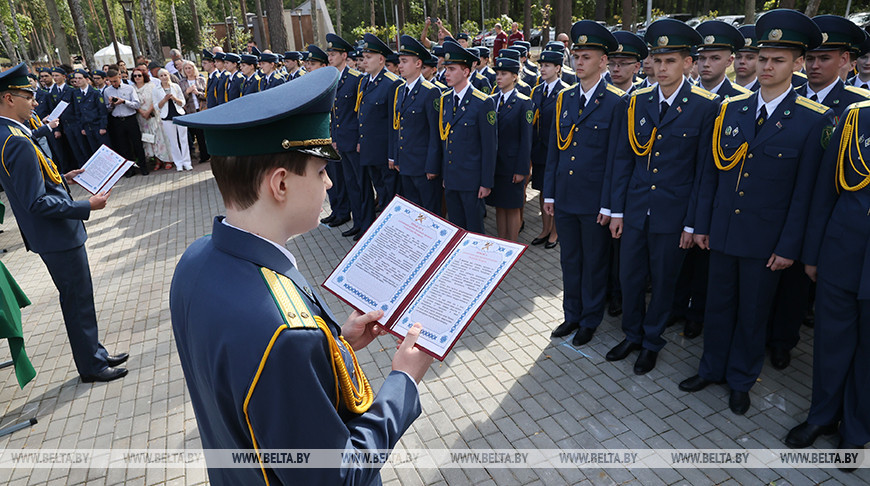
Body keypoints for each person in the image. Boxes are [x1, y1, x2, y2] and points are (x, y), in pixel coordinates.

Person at [170, 66, 433, 484]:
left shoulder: (195, 260)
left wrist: (336, 345)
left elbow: (252, 380)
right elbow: (337, 476)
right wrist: (403, 381)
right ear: (280, 184)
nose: (329, 183)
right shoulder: (288, 334)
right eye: (320, 171)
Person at [682, 9, 834, 416]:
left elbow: (807, 196)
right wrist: (702, 225)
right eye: (763, 58)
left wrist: (789, 247)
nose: (767, 66)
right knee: (717, 305)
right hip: (724, 232)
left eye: (778, 60)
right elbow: (712, 175)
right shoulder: (731, 109)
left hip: (767, 242)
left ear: (798, 64)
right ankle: (711, 367)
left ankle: (740, 378)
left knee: (752, 315)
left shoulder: (812, 121)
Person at [0, 63, 128, 383]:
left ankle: (94, 353)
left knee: (78, 297)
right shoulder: (14, 138)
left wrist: (65, 177)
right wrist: (86, 205)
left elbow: (32, 184)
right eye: (26, 95)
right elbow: (36, 202)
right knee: (77, 298)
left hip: (53, 234)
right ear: (7, 98)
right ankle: (92, 366)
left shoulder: (11, 132)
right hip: (57, 235)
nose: (33, 100)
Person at [608, 19, 719, 375]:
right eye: (657, 60)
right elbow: (624, 160)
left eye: (670, 61)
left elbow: (704, 173)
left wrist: (692, 223)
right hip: (637, 209)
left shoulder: (706, 106)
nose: (662, 68)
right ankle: (632, 334)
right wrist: (617, 211)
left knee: (664, 281)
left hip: (674, 214)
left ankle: (652, 340)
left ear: (688, 63)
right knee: (630, 277)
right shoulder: (636, 101)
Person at [767, 14, 870, 370]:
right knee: (770, 281)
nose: (814, 65)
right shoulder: (785, 97)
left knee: (797, 286)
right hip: (780, 205)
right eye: (810, 58)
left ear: (846, 60)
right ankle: (764, 334)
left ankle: (783, 340)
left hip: (825, 212)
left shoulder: (856, 107)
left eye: (824, 58)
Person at [784, 100, 870, 462]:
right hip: (842, 251)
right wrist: (814, 253)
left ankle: (857, 429)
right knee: (831, 344)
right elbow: (825, 191)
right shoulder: (857, 118)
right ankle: (822, 416)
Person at [544, 21, 627, 348]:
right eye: (576, 55)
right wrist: (548, 193)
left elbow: (617, 160)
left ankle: (590, 319)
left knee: (595, 263)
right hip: (565, 197)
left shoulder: (617, 102)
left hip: (595, 201)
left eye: (587, 56)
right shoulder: (564, 98)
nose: (578, 62)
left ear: (603, 62)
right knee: (570, 261)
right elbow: (555, 150)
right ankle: (572, 313)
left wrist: (609, 205)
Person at [439, 40, 497, 233]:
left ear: (466, 72)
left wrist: (486, 183)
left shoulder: (483, 102)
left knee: (474, 231)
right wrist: (445, 175)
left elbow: (489, 147)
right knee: (456, 229)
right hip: (452, 179)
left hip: (472, 181)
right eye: (446, 68)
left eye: (452, 69)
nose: (446, 73)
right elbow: (446, 142)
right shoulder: (445, 99)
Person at [389, 35, 443, 215]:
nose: (400, 66)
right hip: (406, 164)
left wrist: (432, 166)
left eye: (404, 61)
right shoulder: (400, 90)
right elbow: (398, 127)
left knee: (429, 213)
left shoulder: (430, 92)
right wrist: (397, 158)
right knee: (412, 212)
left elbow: (436, 134)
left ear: (418, 63)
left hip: (423, 167)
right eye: (399, 61)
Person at [358, 33, 405, 229]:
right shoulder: (366, 81)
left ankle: (393, 233)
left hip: (385, 154)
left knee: (390, 197)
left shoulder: (391, 83)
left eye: (369, 57)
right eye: (364, 57)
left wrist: (392, 155)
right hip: (371, 152)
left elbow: (394, 124)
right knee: (381, 193)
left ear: (381, 59)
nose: (364, 61)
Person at [325, 33, 369, 234]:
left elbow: (360, 113)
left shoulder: (356, 79)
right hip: (341, 141)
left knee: (361, 185)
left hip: (354, 141)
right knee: (351, 184)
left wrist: (361, 139)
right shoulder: (334, 78)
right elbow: (334, 112)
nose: (329, 57)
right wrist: (334, 138)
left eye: (333, 53)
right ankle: (357, 223)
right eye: (329, 53)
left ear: (344, 55)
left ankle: (365, 224)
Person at [486, 55, 532, 242]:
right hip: (496, 165)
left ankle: (511, 243)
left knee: (512, 207)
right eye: (497, 73)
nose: (498, 77)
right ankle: (501, 241)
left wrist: (522, 169)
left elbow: (526, 140)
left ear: (514, 77)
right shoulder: (491, 100)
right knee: (499, 205)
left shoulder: (523, 102)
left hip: (513, 165)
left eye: (504, 74)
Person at [529, 49, 566, 250]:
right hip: (541, 150)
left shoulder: (565, 92)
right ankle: (545, 228)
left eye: (547, 66)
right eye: (541, 66)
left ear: (558, 68)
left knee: (556, 191)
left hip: (558, 151)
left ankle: (555, 231)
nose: (542, 69)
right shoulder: (536, 91)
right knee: (544, 190)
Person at [104, 68, 149, 177]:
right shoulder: (107, 91)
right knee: (123, 147)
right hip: (117, 120)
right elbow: (107, 109)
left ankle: (143, 167)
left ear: (119, 77)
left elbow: (136, 104)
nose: (113, 83)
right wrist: (111, 104)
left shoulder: (129, 88)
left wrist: (124, 101)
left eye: (115, 80)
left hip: (130, 118)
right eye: (111, 81)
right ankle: (129, 169)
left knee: (137, 144)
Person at [132, 67, 172, 170]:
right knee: (149, 139)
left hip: (153, 115)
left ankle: (166, 159)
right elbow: (133, 103)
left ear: (144, 76)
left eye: (139, 75)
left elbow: (155, 100)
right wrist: (142, 112)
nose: (137, 77)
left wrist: (148, 111)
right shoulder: (132, 88)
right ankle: (157, 161)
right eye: (135, 76)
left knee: (160, 138)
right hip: (142, 118)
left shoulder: (151, 86)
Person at [153, 68, 191, 171]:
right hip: (167, 117)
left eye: (165, 75)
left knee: (183, 139)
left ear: (169, 75)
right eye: (161, 76)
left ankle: (187, 162)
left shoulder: (176, 86)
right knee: (173, 141)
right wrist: (164, 100)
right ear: (159, 77)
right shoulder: (156, 89)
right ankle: (178, 163)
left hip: (179, 114)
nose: (164, 77)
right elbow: (156, 106)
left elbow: (182, 102)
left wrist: (174, 98)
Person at [71, 69, 110, 157]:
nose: (77, 80)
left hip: (97, 126)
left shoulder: (95, 93)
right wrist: (82, 128)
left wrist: (103, 126)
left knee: (105, 151)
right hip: (87, 127)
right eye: (76, 78)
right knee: (94, 152)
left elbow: (102, 111)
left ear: (87, 79)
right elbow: (77, 112)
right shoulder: (76, 93)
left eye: (80, 78)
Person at [179, 60, 209, 163]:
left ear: (194, 68)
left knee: (203, 134)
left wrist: (197, 93)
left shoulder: (201, 79)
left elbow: (207, 95)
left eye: (190, 68)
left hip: (201, 110)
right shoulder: (182, 82)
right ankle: (200, 154)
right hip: (190, 111)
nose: (188, 70)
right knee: (195, 134)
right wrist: (187, 92)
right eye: (186, 68)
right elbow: (180, 99)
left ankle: (206, 154)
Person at [735, 25, 761, 91]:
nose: (742, 61)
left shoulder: (764, 93)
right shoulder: (722, 92)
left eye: (750, 58)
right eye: (738, 57)